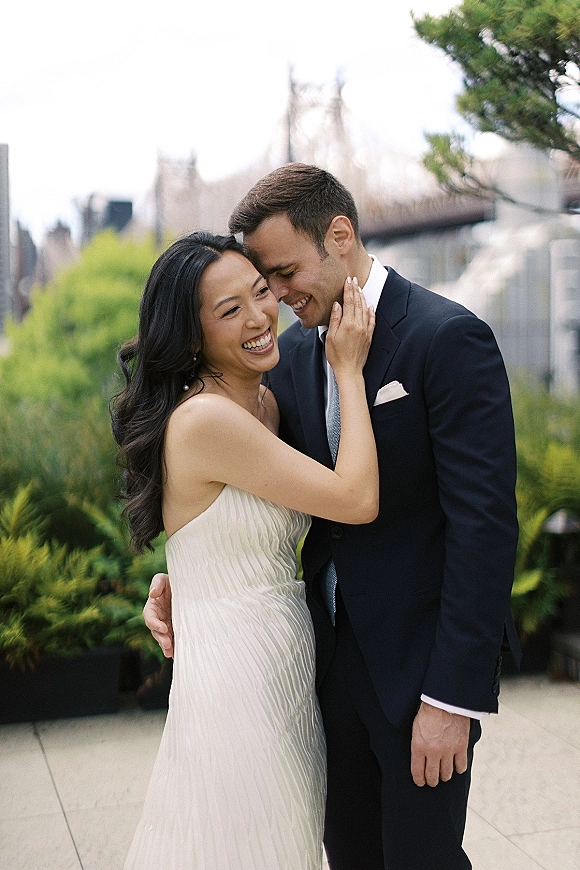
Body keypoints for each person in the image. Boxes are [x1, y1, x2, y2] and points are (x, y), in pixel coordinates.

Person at [144, 164, 521, 870]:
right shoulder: (283, 359)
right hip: (318, 670)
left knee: (423, 860)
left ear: (340, 236)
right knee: (347, 857)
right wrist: (182, 574)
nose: (275, 301)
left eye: (281, 276)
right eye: (261, 285)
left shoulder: (446, 338)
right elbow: (243, 491)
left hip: (420, 675)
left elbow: (486, 526)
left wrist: (453, 697)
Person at [111, 230, 377, 870]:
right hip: (236, 677)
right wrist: (347, 369)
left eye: (262, 293)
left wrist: (181, 575)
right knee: (242, 841)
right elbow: (357, 498)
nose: (261, 318)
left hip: (282, 659)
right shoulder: (207, 419)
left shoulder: (262, 403)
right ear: (191, 334)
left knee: (281, 840)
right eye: (230, 311)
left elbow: (219, 527)